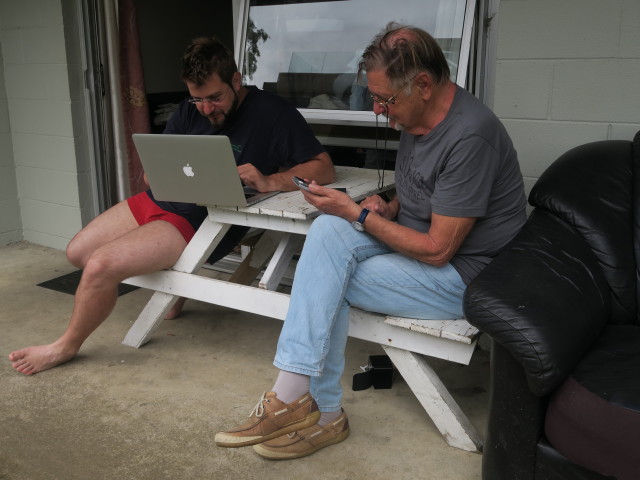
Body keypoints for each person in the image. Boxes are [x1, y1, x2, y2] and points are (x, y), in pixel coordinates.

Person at [213, 22, 528, 459]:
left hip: (466, 276)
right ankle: (300, 401)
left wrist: (357, 213)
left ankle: (312, 409)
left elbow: (439, 248)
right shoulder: (416, 114)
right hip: (419, 248)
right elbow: (421, 191)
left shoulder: (470, 136)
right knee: (325, 231)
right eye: (375, 98)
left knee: (325, 279)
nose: (379, 110)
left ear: (423, 84)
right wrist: (388, 206)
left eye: (385, 99)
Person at [9, 36, 335, 375]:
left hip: (198, 219)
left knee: (99, 266)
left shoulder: (273, 112)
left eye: (215, 98)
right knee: (77, 253)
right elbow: (155, 172)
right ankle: (176, 282)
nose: (206, 109)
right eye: (198, 100)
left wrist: (270, 181)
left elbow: (323, 167)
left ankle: (65, 346)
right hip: (159, 200)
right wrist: (156, 174)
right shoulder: (186, 109)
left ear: (236, 82)